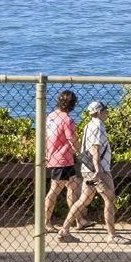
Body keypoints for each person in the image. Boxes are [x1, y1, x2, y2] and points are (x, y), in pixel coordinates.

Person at [62, 101, 122, 242]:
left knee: (84, 200)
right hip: (98, 169)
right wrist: (98, 169)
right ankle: (112, 235)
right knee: (109, 199)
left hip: (87, 167)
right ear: (99, 112)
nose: (107, 113)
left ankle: (64, 229)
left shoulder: (89, 125)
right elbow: (95, 148)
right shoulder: (98, 125)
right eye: (105, 110)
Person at [42, 90, 81, 233]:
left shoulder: (51, 117)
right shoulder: (67, 120)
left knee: (74, 186)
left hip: (55, 156)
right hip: (63, 159)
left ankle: (79, 219)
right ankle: (45, 222)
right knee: (54, 191)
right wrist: (81, 151)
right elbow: (72, 139)